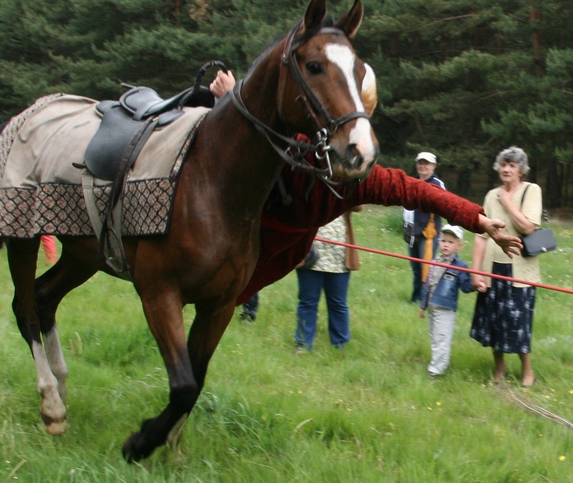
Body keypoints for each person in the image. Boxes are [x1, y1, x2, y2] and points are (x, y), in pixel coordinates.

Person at [203, 70, 524, 306]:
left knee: (220, 303)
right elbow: (257, 130)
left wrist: (479, 221)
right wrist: (232, 98)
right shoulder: (294, 142)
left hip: (280, 250)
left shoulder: (363, 178)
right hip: (233, 229)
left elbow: (422, 192)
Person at [471, 146, 542, 388]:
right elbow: (481, 236)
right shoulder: (491, 195)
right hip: (493, 269)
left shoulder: (532, 190)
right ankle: (499, 370)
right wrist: (476, 270)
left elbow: (529, 228)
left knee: (519, 322)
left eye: (512, 165)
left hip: (520, 271)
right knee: (492, 320)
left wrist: (508, 201)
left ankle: (527, 372)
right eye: (503, 164)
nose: (506, 169)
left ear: (521, 169)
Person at [294, 214, 359, 351]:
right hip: (311, 257)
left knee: (338, 303)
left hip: (339, 259)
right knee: (308, 302)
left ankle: (340, 345)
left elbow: (358, 206)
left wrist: (345, 192)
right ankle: (303, 345)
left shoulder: (343, 196)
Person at [420, 223, 476, 377]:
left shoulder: (460, 266)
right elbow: (428, 284)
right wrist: (422, 306)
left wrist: (476, 284)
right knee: (435, 336)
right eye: (444, 241)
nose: (446, 245)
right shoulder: (435, 260)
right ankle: (438, 362)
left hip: (445, 308)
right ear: (439, 241)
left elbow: (465, 287)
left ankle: (436, 370)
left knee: (442, 338)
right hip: (432, 306)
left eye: (451, 242)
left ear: (459, 246)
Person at [406, 151, 446, 304]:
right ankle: (415, 298)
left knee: (426, 268)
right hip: (411, 230)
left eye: (426, 163)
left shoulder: (437, 184)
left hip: (428, 232)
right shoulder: (411, 181)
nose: (422, 166)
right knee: (415, 268)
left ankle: (425, 300)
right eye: (420, 163)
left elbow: (444, 205)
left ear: (433, 166)